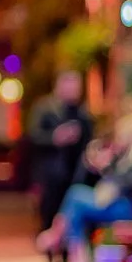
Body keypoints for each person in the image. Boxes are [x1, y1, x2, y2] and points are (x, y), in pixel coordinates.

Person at [37, 107, 132, 262]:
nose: (120, 137)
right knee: (77, 208)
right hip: (123, 204)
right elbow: (116, 179)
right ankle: (74, 254)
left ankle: (62, 239)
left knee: (76, 196)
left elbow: (128, 183)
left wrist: (109, 170)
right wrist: (104, 165)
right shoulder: (130, 155)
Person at [28, 68, 95, 230]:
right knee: (49, 213)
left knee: (70, 216)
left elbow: (89, 139)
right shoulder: (45, 108)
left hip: (74, 173)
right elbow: (33, 137)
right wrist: (55, 138)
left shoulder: (82, 112)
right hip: (51, 173)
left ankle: (67, 250)